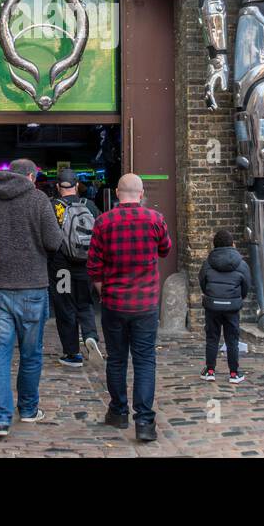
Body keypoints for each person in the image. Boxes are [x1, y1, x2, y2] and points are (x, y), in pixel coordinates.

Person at [0, 158, 63, 438]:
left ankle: (1, 419)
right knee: (31, 354)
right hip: (32, 289)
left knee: (0, 356)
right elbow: (54, 242)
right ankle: (28, 410)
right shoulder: (39, 200)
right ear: (30, 176)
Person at [88, 173, 171, 442]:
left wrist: (105, 293)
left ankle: (118, 411)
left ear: (116, 192)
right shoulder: (154, 219)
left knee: (117, 359)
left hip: (114, 303)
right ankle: (145, 422)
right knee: (145, 361)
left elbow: (94, 267)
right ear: (142, 192)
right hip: (145, 304)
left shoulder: (103, 222)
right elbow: (165, 249)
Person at [49, 168, 101, 367]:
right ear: (77, 185)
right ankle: (90, 336)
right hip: (85, 266)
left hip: (62, 268)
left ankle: (72, 354)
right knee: (85, 304)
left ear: (57, 186)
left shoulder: (53, 206)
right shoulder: (90, 205)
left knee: (65, 308)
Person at [198, 229, 250, 383]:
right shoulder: (241, 263)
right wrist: (237, 299)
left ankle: (210, 370)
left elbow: (203, 282)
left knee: (212, 338)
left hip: (212, 306)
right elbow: (246, 285)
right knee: (232, 339)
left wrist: (211, 295)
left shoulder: (208, 263)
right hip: (232, 307)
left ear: (214, 245)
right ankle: (234, 373)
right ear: (232, 244)